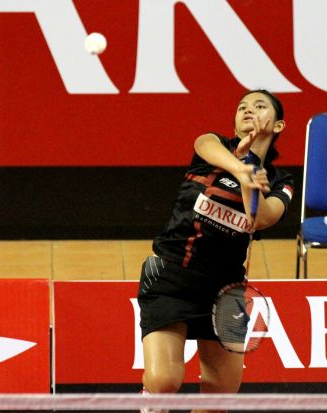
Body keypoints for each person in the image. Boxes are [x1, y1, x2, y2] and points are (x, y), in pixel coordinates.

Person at [137, 89, 294, 413]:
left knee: (220, 396)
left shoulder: (281, 182)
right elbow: (202, 143)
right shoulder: (212, 147)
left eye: (259, 106)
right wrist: (240, 167)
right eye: (242, 107)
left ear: (278, 125)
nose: (248, 110)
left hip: (226, 289)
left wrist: (251, 178)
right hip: (172, 274)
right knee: (164, 381)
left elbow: (262, 218)